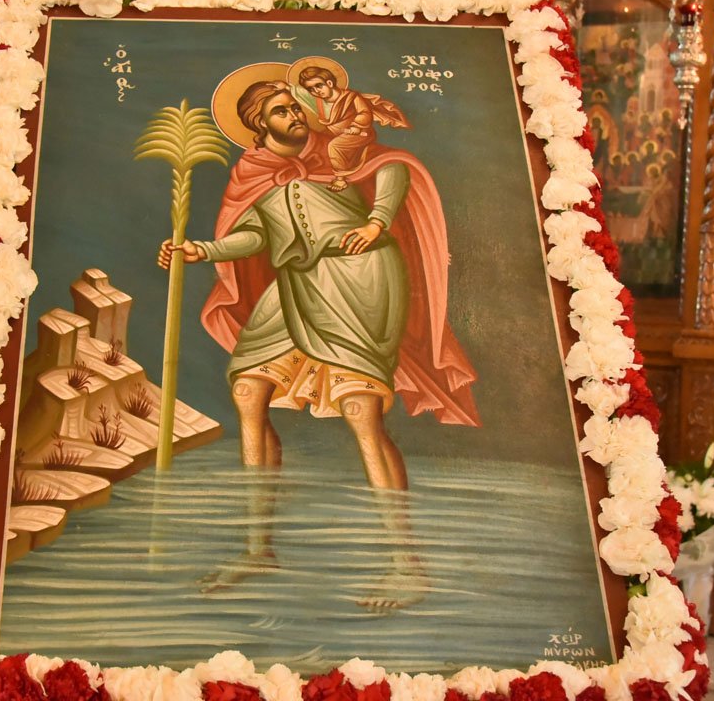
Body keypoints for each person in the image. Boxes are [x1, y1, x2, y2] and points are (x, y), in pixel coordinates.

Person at [157, 77, 479, 610]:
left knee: (359, 407)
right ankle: (257, 550)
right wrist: (202, 251)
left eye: (296, 105)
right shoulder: (252, 172)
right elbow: (256, 234)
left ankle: (406, 567)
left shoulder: (338, 146)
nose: (296, 115)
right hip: (296, 280)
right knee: (249, 391)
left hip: (360, 273)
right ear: (260, 124)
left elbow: (393, 165)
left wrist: (376, 222)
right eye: (282, 110)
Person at [292, 61, 410, 192]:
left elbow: (365, 113)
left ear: (329, 83)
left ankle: (340, 179)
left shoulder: (351, 97)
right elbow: (299, 92)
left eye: (318, 86)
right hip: (333, 132)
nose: (316, 91)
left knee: (335, 146)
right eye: (311, 89)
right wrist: (286, 86)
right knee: (311, 139)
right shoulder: (319, 101)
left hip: (358, 133)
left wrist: (356, 126)